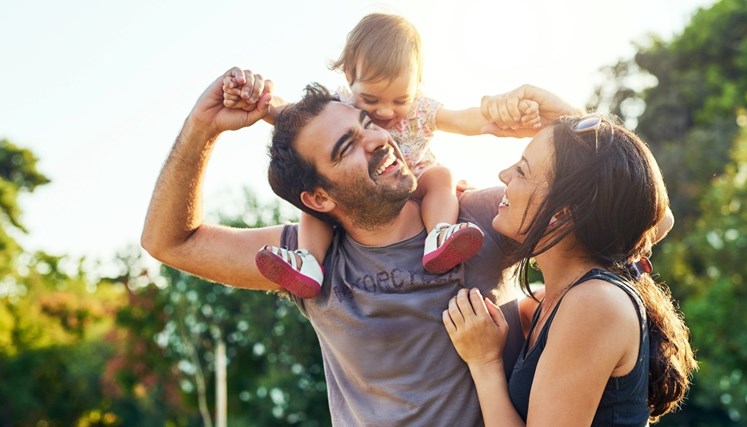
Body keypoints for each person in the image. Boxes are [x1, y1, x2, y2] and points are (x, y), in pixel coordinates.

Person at [142, 65, 577, 426]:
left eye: (366, 125)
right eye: (347, 146)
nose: (376, 140)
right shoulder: (306, 260)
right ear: (318, 199)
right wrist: (202, 127)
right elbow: (170, 241)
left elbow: (633, 219)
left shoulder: (478, 219)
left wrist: (570, 118)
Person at [221, 13, 541, 298]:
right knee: (319, 202)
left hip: (413, 181)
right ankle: (308, 261)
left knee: (442, 176)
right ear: (349, 77)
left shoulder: (420, 110)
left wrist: (498, 120)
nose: (386, 111)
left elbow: (461, 118)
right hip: (365, 191)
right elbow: (287, 112)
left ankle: (440, 234)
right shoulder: (340, 107)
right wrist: (254, 97)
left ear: (417, 86)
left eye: (400, 99)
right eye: (371, 99)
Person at [442, 112, 697, 425]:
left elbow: (652, 212)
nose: (503, 174)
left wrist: (485, 363)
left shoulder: (595, 304)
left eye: (522, 170)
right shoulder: (556, 302)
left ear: (560, 213)